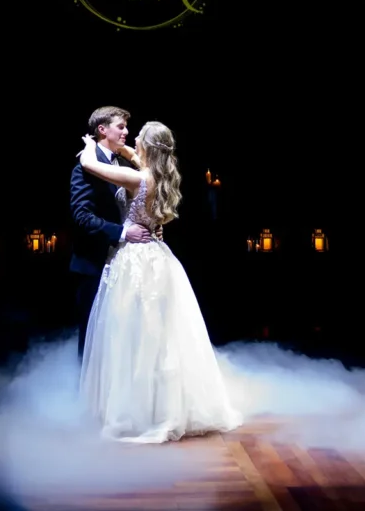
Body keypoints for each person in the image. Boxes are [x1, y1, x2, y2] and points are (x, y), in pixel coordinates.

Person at [76, 121, 243, 443]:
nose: (131, 138)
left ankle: (141, 410)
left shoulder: (138, 178)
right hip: (158, 258)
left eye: (137, 137)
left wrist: (88, 143)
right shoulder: (160, 176)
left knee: (133, 334)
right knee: (159, 335)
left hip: (136, 260)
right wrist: (124, 148)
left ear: (148, 148)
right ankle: (158, 404)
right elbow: (135, 156)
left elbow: (89, 165)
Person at [69, 106, 159, 362]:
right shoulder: (84, 167)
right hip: (94, 264)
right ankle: (85, 399)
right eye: (120, 126)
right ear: (102, 129)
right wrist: (123, 232)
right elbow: (82, 217)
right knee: (92, 340)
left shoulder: (119, 163)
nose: (126, 132)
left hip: (124, 263)